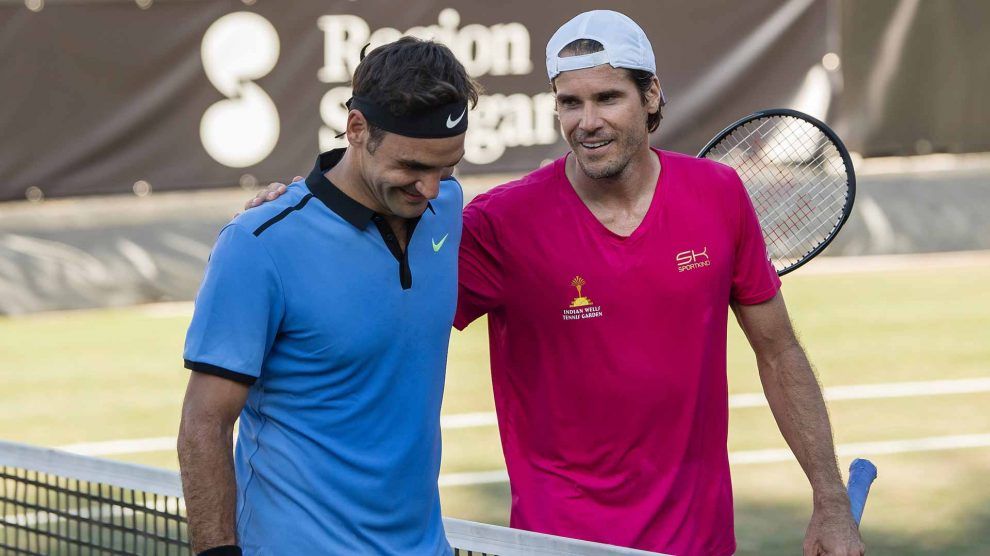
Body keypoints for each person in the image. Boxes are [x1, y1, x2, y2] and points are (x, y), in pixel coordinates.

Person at [250, 11, 865, 556]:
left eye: (607, 98)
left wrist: (830, 500)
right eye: (569, 103)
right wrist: (298, 212)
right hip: (555, 542)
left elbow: (778, 351)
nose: (587, 122)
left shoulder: (719, 194)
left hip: (699, 541)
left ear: (651, 96)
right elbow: (372, 302)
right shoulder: (499, 223)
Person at [178, 37, 478, 556]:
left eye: (446, 168)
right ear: (357, 128)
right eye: (412, 167)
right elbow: (204, 422)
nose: (430, 189)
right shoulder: (259, 244)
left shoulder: (447, 209)